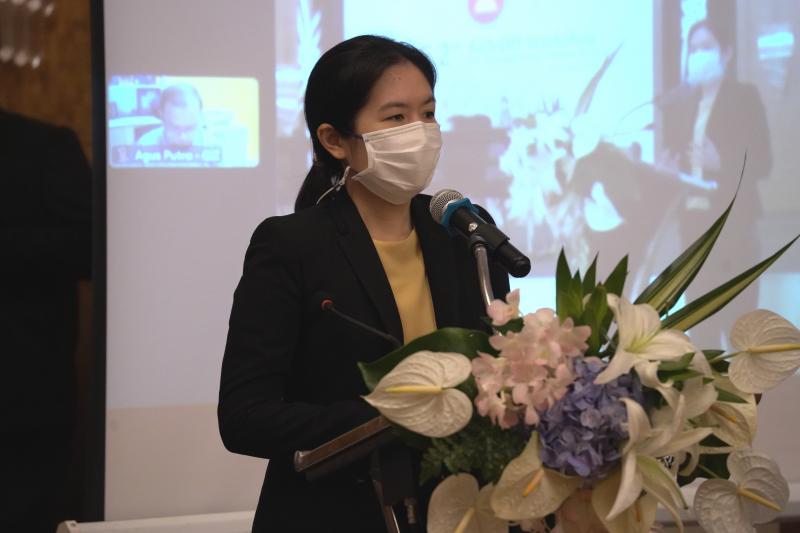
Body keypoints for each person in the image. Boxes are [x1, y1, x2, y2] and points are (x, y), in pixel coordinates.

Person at [218, 35, 509, 532]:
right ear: (335, 140)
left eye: (428, 114)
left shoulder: (463, 231)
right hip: (335, 513)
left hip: (458, 510)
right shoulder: (291, 245)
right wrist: (389, 417)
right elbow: (245, 417)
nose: (419, 132)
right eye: (395, 118)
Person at [660, 19, 772, 348]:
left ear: (726, 53)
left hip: (732, 225)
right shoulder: (684, 103)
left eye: (706, 48)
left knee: (740, 326)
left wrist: (721, 164)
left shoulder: (744, 97)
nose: (698, 55)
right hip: (693, 226)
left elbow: (763, 161)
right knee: (701, 327)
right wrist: (669, 171)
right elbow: (682, 162)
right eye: (693, 49)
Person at [137, 83, 207, 148]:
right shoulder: (144, 145)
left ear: (200, 116)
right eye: (175, 128)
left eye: (190, 128)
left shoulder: (211, 145)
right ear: (161, 115)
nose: (183, 138)